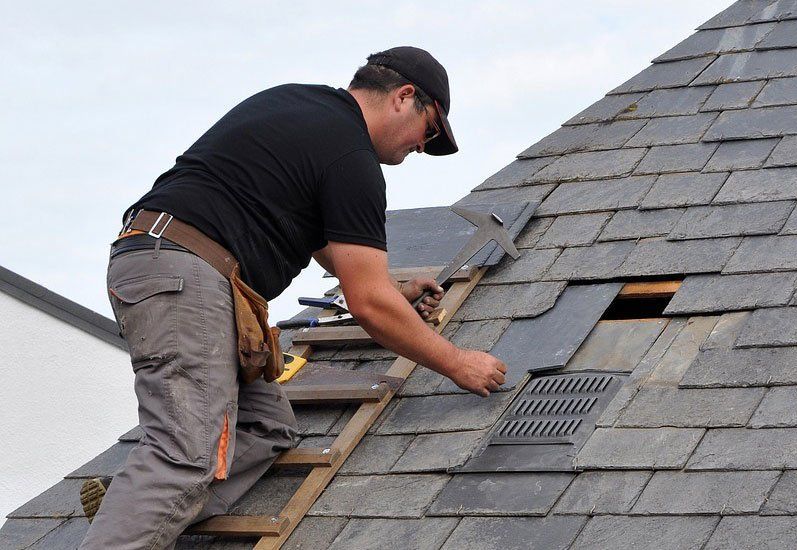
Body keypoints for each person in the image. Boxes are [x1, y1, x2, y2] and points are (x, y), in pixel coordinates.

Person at [78, 46, 508, 549]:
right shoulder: (352, 156)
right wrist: (458, 363)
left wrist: (396, 290)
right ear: (404, 97)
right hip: (188, 275)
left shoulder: (297, 106)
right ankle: (136, 513)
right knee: (185, 455)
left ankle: (132, 506)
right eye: (429, 130)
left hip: (159, 261)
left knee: (267, 426)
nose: (420, 147)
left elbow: (334, 248)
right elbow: (368, 305)